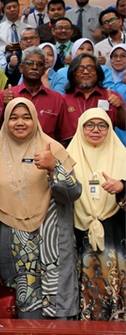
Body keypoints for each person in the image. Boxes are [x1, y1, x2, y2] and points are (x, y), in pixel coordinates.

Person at [0, 97, 81, 319]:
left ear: (35, 119)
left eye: (26, 117)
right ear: (5, 121)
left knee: (58, 309)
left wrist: (54, 168)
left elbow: (74, 192)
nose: (20, 123)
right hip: (15, 247)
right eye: (13, 118)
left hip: (52, 243)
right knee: (25, 312)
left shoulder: (52, 148)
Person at [66, 108, 126, 321]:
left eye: (102, 125)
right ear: (80, 128)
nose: (96, 130)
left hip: (116, 236)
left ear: (110, 129)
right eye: (89, 125)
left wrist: (122, 187)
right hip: (77, 235)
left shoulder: (123, 156)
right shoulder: (68, 157)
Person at [0, 46, 71, 142]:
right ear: (21, 68)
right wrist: (6, 107)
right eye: (30, 63)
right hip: (12, 149)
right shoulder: (5, 95)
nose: (34, 67)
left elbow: (64, 137)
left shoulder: (56, 99)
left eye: (39, 64)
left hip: (46, 150)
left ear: (44, 70)